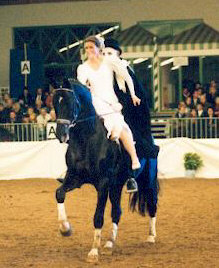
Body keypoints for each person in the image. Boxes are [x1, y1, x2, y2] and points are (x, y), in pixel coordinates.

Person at [77, 35, 141, 193]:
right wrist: (85, 87)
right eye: (86, 48)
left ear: (99, 48)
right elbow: (81, 86)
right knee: (75, 130)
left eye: (91, 47)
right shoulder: (82, 68)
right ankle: (73, 167)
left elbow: (126, 76)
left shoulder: (109, 62)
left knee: (122, 129)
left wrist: (133, 94)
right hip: (93, 105)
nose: (89, 51)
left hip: (111, 104)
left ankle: (133, 164)